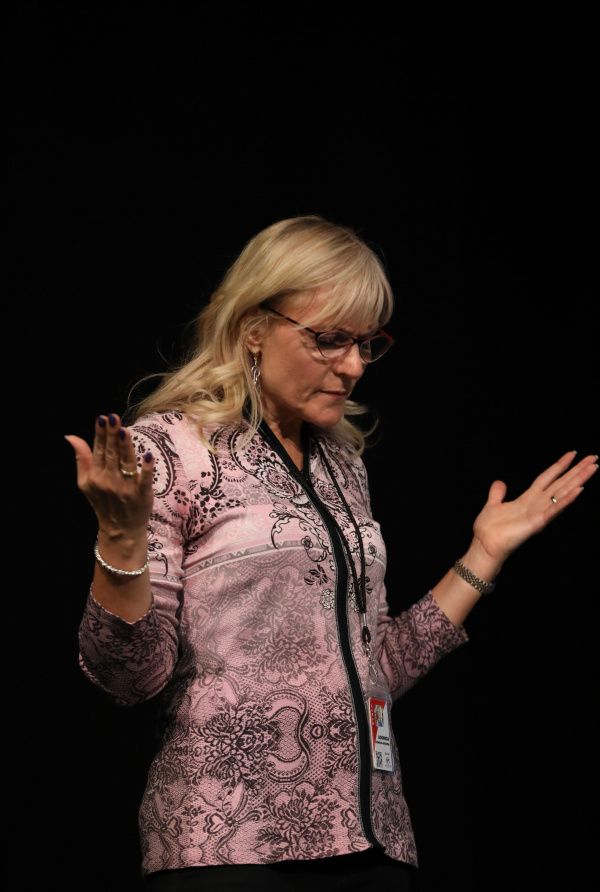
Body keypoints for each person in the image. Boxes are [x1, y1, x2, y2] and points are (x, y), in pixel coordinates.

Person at [67, 216, 597, 891]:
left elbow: (375, 672)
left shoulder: (343, 467)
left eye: (366, 343)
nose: (352, 366)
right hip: (228, 850)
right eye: (329, 339)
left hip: (371, 846)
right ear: (253, 327)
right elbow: (129, 677)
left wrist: (482, 556)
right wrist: (119, 541)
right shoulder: (171, 451)